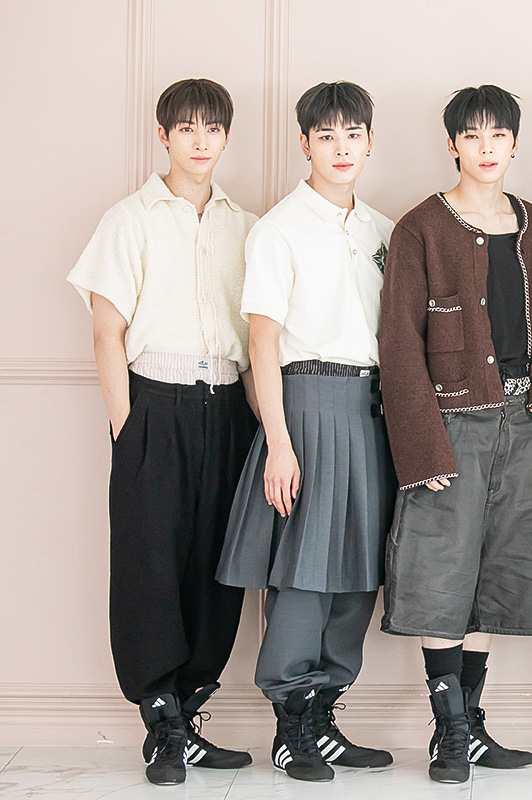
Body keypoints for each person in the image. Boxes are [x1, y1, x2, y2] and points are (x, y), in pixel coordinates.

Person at [67, 78, 257, 786]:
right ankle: (160, 722)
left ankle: (189, 710)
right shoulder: (129, 220)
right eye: (186, 129)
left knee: (218, 561)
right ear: (163, 135)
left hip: (228, 407)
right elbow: (106, 331)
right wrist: (127, 429)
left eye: (212, 129)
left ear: (226, 136)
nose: (200, 142)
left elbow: (257, 336)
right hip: (153, 404)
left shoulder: (247, 225)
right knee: (149, 562)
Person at [378, 84, 532, 784]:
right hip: (450, 424)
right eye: (473, 136)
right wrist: (422, 446)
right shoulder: (420, 228)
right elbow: (400, 344)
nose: (486, 149)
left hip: (520, 425)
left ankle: (473, 723)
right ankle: (448, 732)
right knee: (440, 574)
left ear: (515, 143)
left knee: (494, 573)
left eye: (498, 136)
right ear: (452, 143)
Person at [216, 81, 395, 783]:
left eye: (353, 134)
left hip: (371, 411)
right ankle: (290, 724)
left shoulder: (383, 231)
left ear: (370, 141)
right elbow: (261, 343)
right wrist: (280, 442)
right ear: (305, 144)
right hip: (305, 407)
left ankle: (324, 716)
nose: (341, 148)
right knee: (305, 574)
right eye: (326, 136)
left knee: (358, 573)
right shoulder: (279, 229)